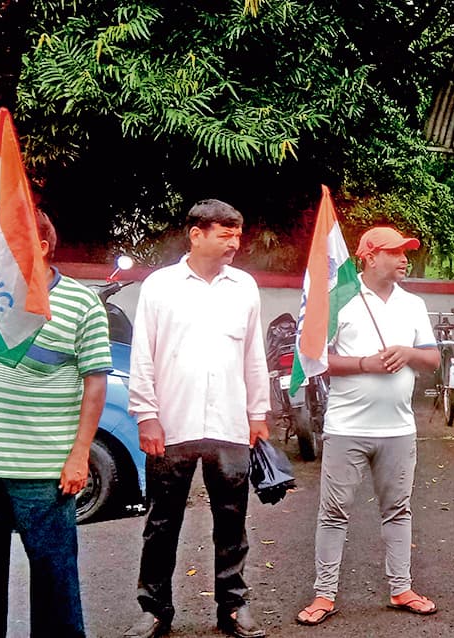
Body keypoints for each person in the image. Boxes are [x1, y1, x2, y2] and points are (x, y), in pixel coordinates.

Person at [124, 200, 271, 638]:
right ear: (196, 234)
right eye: (225, 234)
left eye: (238, 234)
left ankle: (233, 606)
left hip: (230, 422)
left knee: (232, 521)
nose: (235, 243)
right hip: (172, 423)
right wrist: (146, 415)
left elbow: (254, 355)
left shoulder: (244, 287)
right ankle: (154, 609)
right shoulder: (160, 286)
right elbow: (143, 355)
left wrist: (257, 414)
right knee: (162, 523)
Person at [296, 227, 441, 626]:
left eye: (406, 252)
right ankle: (324, 594)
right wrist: (364, 364)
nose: (404, 259)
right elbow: (315, 359)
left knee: (398, 510)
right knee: (333, 513)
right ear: (370, 256)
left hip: (399, 429)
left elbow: (432, 359)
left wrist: (408, 352)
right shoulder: (339, 298)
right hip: (346, 428)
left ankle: (401, 588)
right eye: (395, 252)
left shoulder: (413, 304)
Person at [0, 212, 110, 638]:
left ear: (43, 246)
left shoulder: (80, 303)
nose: (0, 253)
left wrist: (79, 455)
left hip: (44, 471)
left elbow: (95, 383)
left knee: (55, 585)